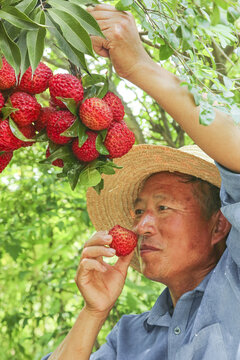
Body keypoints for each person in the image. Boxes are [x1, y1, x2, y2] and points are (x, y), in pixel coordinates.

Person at [42, 4, 240, 359]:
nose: (141, 227)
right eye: (138, 211)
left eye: (163, 207)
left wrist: (139, 67)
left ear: (219, 225)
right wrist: (93, 313)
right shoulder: (130, 338)